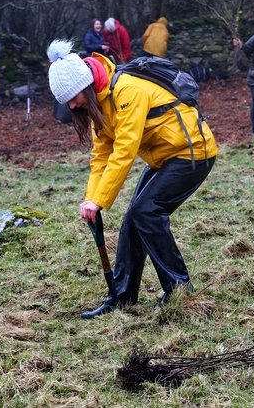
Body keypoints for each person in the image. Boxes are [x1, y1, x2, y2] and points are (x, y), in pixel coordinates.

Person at [47, 39, 218, 318]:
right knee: (134, 218)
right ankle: (123, 296)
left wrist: (101, 201)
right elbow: (101, 154)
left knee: (147, 212)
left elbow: (124, 150)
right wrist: (91, 198)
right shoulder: (98, 101)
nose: (73, 105)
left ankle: (179, 290)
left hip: (192, 152)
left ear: (85, 84)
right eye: (67, 101)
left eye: (73, 96)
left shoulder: (127, 90)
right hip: (165, 156)